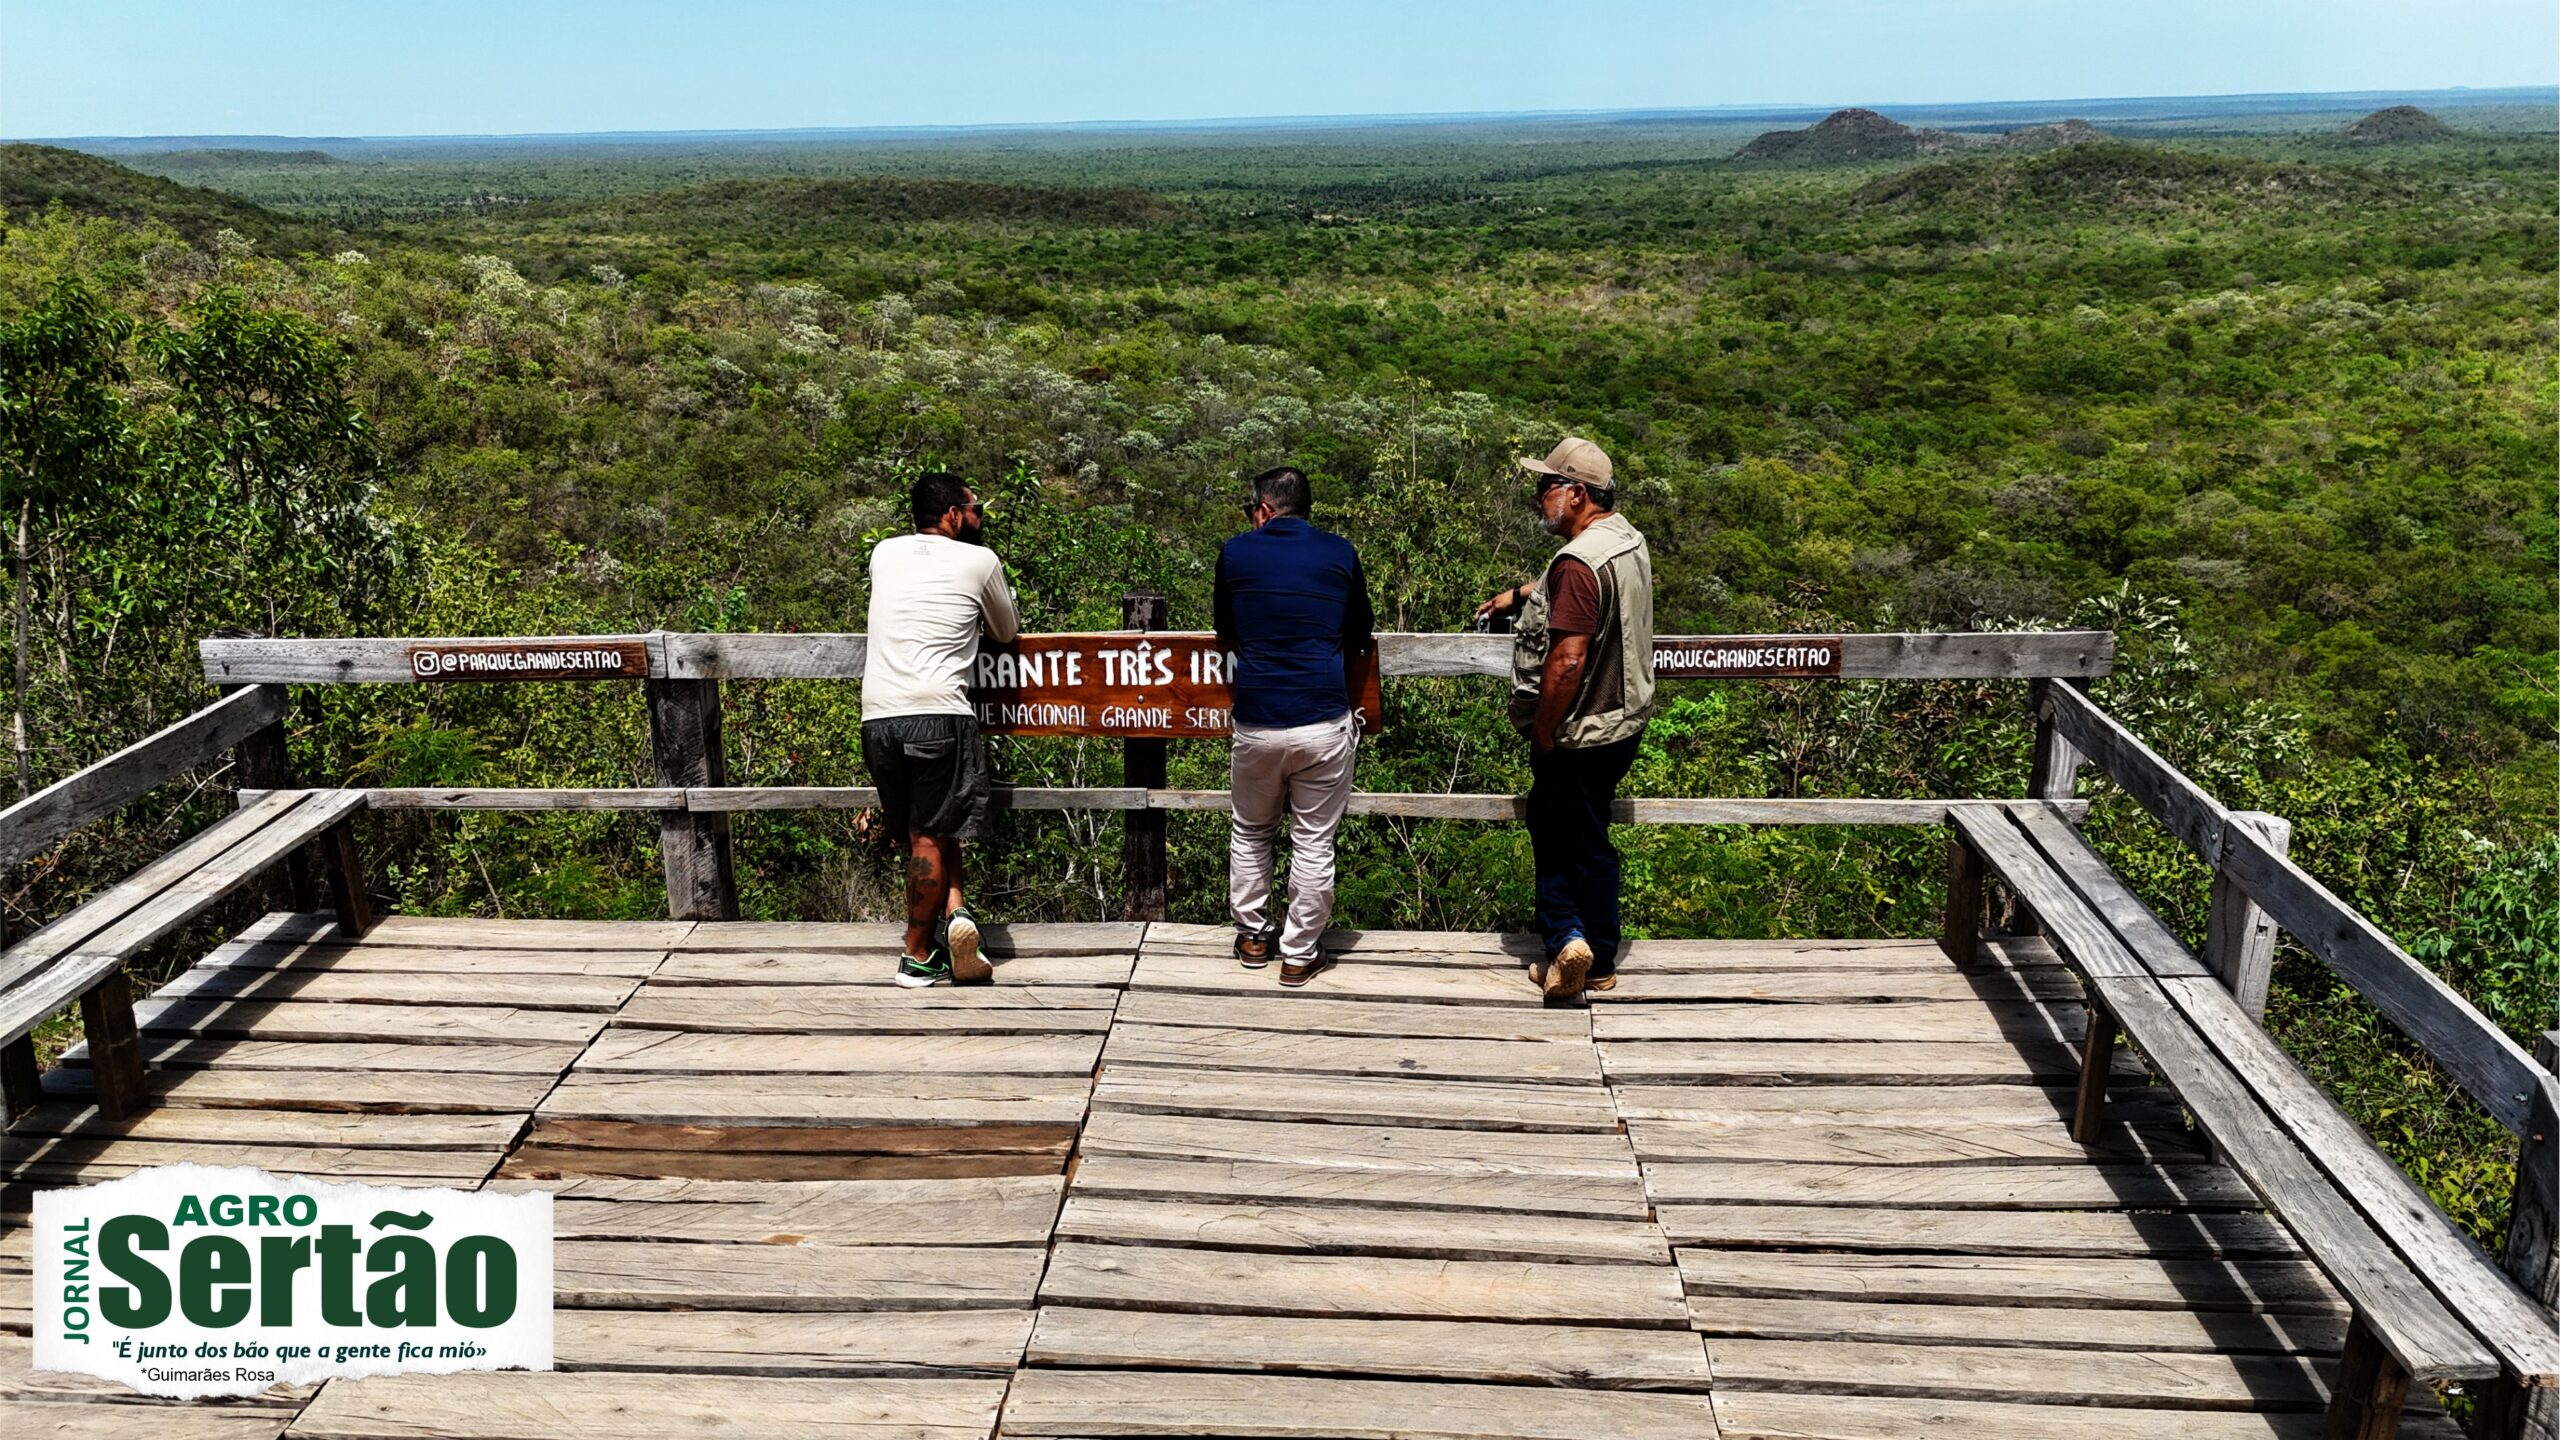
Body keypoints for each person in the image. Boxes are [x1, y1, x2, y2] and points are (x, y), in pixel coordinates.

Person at [1474, 437, 1656, 1002]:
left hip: (1580, 729)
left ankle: (1578, 947)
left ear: (1578, 494)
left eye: (1546, 487)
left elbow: (1569, 656)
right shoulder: (1625, 538)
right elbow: (1576, 590)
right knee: (1582, 829)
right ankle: (1583, 950)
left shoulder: (1577, 563)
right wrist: (1521, 593)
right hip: (1623, 721)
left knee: (1562, 837)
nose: (1538, 499)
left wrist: (1546, 732)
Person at [1214, 465, 1375, 987]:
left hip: (1258, 718)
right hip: (1324, 719)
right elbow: (1360, 634)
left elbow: (1226, 634)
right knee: (1313, 841)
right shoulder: (1341, 553)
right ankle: (1300, 953)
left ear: (1263, 509)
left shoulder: (1236, 553)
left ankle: (1255, 937)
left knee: (1251, 830)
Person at [862, 471, 1019, 987]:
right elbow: (1006, 630)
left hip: (879, 714)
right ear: (953, 514)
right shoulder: (980, 560)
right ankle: (914, 956)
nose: (978, 519)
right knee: (930, 835)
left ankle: (956, 915)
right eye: (974, 510)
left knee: (925, 829)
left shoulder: (884, 552)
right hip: (938, 712)